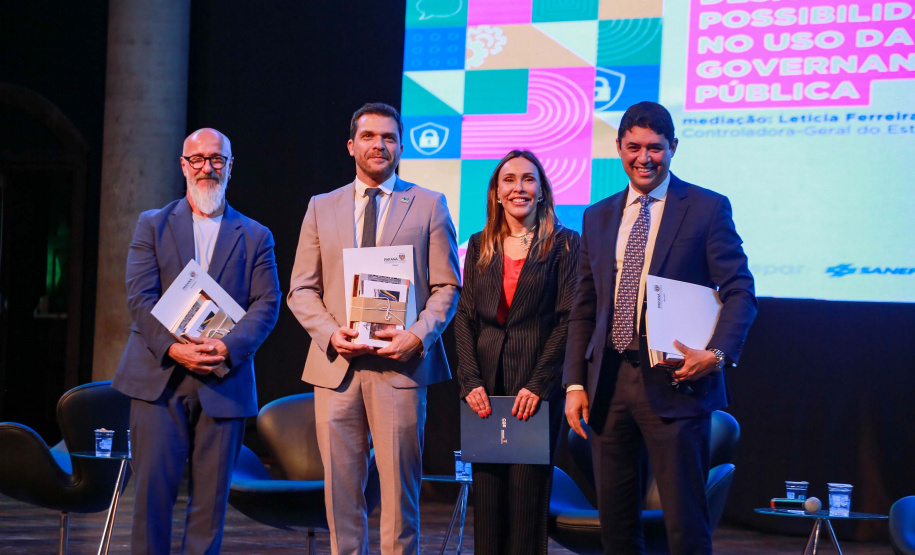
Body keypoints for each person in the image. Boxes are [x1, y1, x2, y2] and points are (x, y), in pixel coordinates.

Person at [562, 101, 757, 555]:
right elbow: (583, 308)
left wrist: (717, 354)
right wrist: (574, 382)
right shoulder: (598, 215)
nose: (644, 158)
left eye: (655, 147)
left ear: (673, 147)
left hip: (676, 384)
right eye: (634, 147)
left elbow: (740, 291)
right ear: (619, 148)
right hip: (608, 386)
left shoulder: (706, 209)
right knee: (616, 528)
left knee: (686, 527)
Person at [287, 102, 461, 555]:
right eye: (369, 136)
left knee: (400, 496)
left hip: (399, 368)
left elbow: (448, 286)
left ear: (401, 147)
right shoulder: (321, 207)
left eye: (388, 138)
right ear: (351, 146)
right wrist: (329, 333)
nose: (378, 145)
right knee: (340, 496)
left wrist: (417, 335)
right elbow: (301, 290)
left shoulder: (429, 205)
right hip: (336, 368)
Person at [113, 128, 281, 554]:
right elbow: (140, 298)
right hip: (159, 381)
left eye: (217, 159)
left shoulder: (256, 235)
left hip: (223, 381)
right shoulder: (151, 224)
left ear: (230, 166)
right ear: (183, 166)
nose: (207, 167)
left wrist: (225, 347)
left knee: (209, 510)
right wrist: (174, 348)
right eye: (198, 159)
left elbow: (267, 303)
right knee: (151, 502)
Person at [454, 150, 579, 554]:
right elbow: (464, 318)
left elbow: (567, 320)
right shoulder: (479, 244)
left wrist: (538, 385)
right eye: (509, 180)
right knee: (487, 506)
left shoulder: (564, 244)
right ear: (496, 192)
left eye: (528, 179)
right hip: (485, 394)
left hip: (535, 394)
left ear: (541, 190)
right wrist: (470, 381)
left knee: (527, 508)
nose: (519, 187)